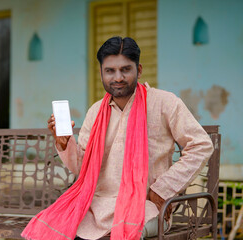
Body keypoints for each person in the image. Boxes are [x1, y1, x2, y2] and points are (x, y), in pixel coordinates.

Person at [22, 37, 214, 240]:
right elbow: (83, 167)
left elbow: (201, 145)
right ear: (101, 73)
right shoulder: (96, 111)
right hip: (95, 205)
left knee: (127, 231)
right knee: (54, 227)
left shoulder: (164, 103)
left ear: (138, 70)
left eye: (125, 69)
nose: (118, 77)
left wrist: (162, 189)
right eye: (110, 71)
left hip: (144, 206)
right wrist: (64, 142)